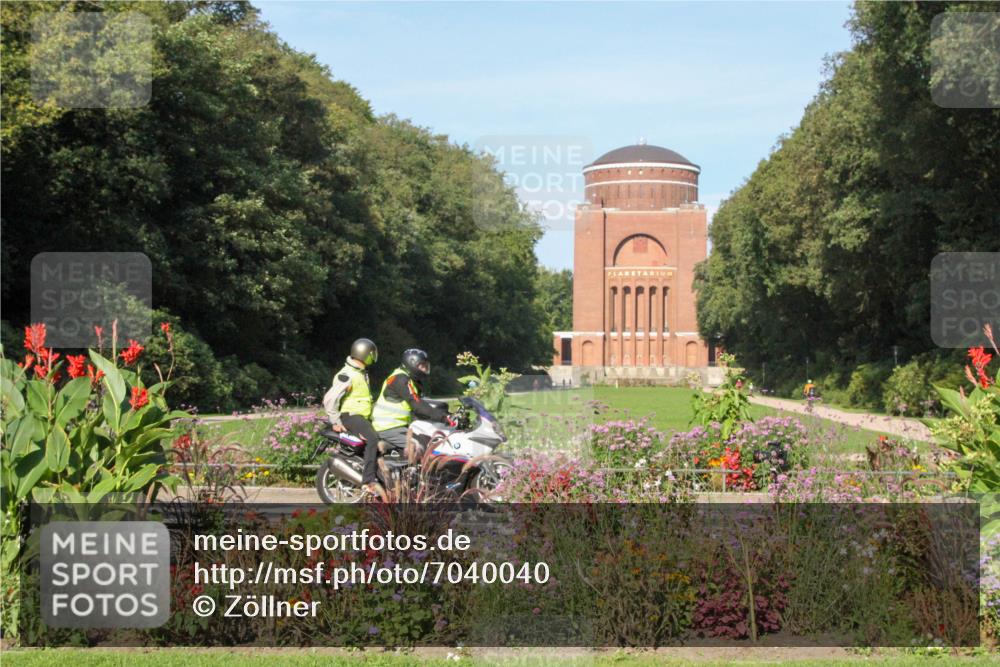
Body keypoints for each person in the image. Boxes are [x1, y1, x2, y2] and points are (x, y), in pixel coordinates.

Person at [322, 338, 385, 497]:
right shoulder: (347, 374)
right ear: (365, 354)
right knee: (372, 439)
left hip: (361, 417)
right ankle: (368, 482)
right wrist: (335, 421)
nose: (374, 356)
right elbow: (330, 399)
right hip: (351, 416)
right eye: (372, 353)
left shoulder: (359, 373)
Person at [372, 348, 449, 449]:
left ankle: (391, 448)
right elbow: (416, 403)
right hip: (387, 427)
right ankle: (389, 452)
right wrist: (443, 418)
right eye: (422, 366)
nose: (425, 369)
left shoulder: (410, 379)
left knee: (428, 439)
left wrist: (446, 414)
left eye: (426, 366)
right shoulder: (400, 379)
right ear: (411, 364)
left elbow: (422, 402)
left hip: (398, 426)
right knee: (419, 447)